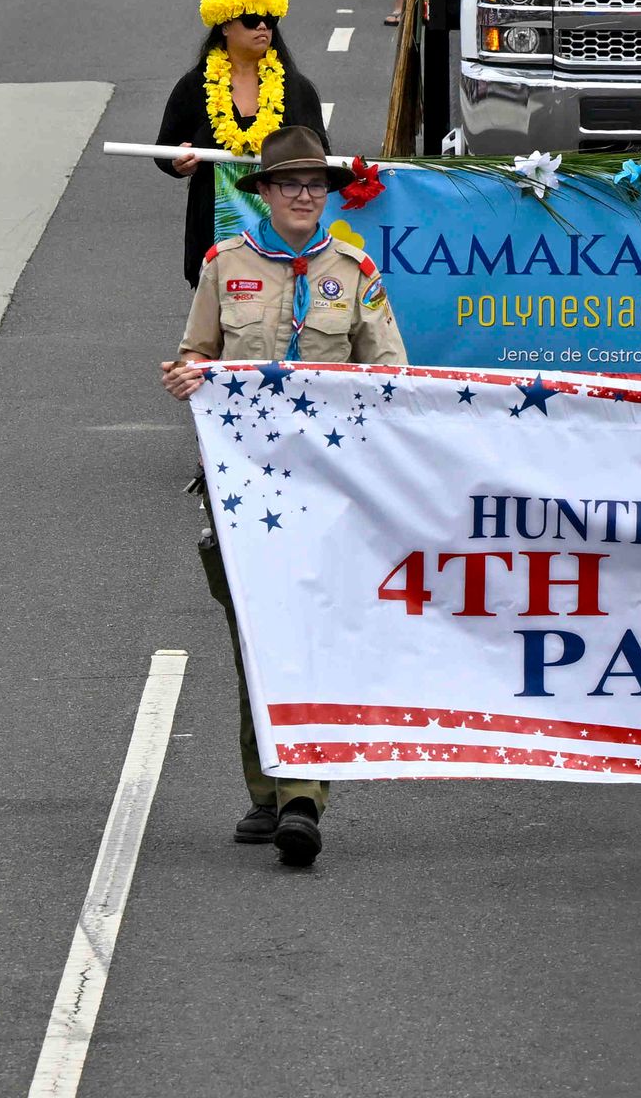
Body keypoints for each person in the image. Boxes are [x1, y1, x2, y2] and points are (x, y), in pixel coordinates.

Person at [159, 126, 397, 869]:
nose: (303, 195)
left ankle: (302, 797)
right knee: (255, 635)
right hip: (242, 486)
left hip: (324, 489)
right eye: (288, 183)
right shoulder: (223, 265)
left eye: (316, 184)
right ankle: (268, 792)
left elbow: (389, 375)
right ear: (261, 193)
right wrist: (186, 374)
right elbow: (197, 351)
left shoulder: (355, 270)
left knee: (306, 627)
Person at [151, 0, 317, 281]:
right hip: (214, 219)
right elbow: (165, 149)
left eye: (270, 21)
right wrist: (177, 163)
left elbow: (321, 155)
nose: (263, 28)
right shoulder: (194, 86)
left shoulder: (296, 88)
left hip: (283, 222)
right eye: (252, 20)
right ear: (225, 27)